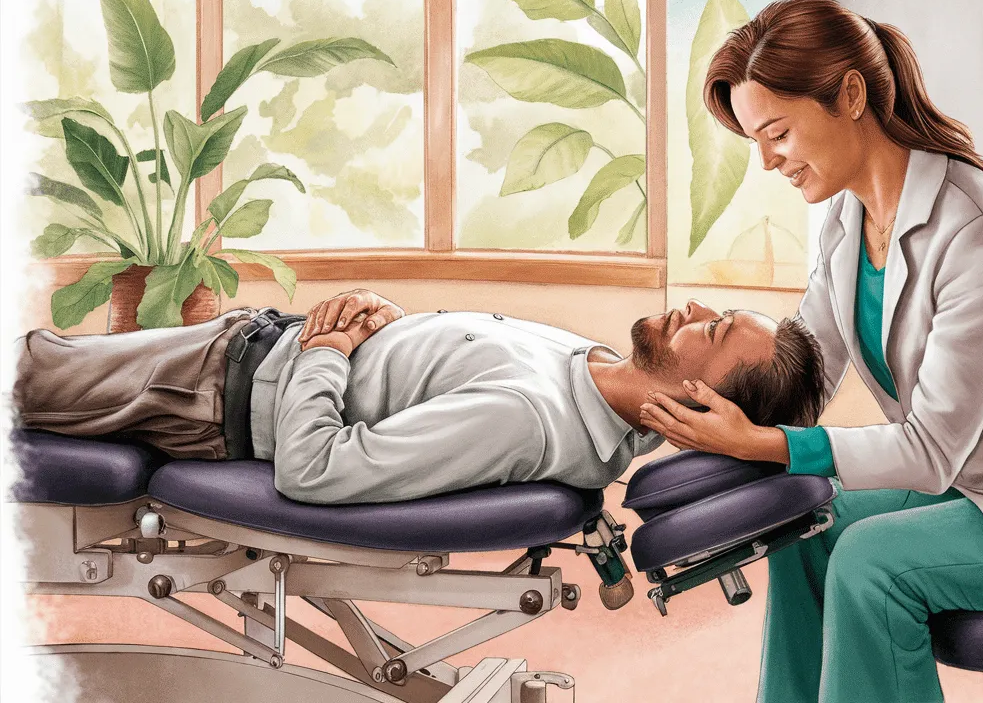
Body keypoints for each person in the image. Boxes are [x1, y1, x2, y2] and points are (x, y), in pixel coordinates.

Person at [638, 0, 983, 703]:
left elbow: (932, 448)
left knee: (871, 561)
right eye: (757, 140)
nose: (767, 162)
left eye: (777, 133)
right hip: (966, 491)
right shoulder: (848, 217)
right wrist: (693, 398)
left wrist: (769, 446)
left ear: (850, 95)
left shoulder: (979, 232)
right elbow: (803, 372)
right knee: (802, 527)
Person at [14, 290, 823, 505]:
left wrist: (331, 350)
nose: (693, 313)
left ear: (700, 403)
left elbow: (315, 471)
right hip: (244, 349)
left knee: (22, 372)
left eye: (711, 335)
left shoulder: (527, 420)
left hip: (204, 388)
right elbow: (431, 375)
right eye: (718, 313)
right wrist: (389, 329)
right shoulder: (602, 379)